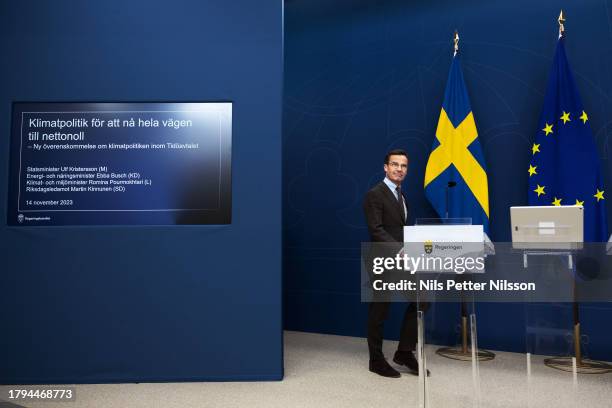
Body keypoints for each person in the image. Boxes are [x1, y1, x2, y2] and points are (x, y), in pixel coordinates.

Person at [363, 149, 428, 378]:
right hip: (381, 259)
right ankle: (376, 360)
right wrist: (400, 249)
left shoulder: (402, 195)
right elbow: (376, 230)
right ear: (385, 167)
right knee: (380, 309)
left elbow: (400, 229)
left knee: (422, 299)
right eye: (395, 165)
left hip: (402, 259)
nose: (400, 169)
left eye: (404, 166)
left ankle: (404, 352)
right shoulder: (375, 194)